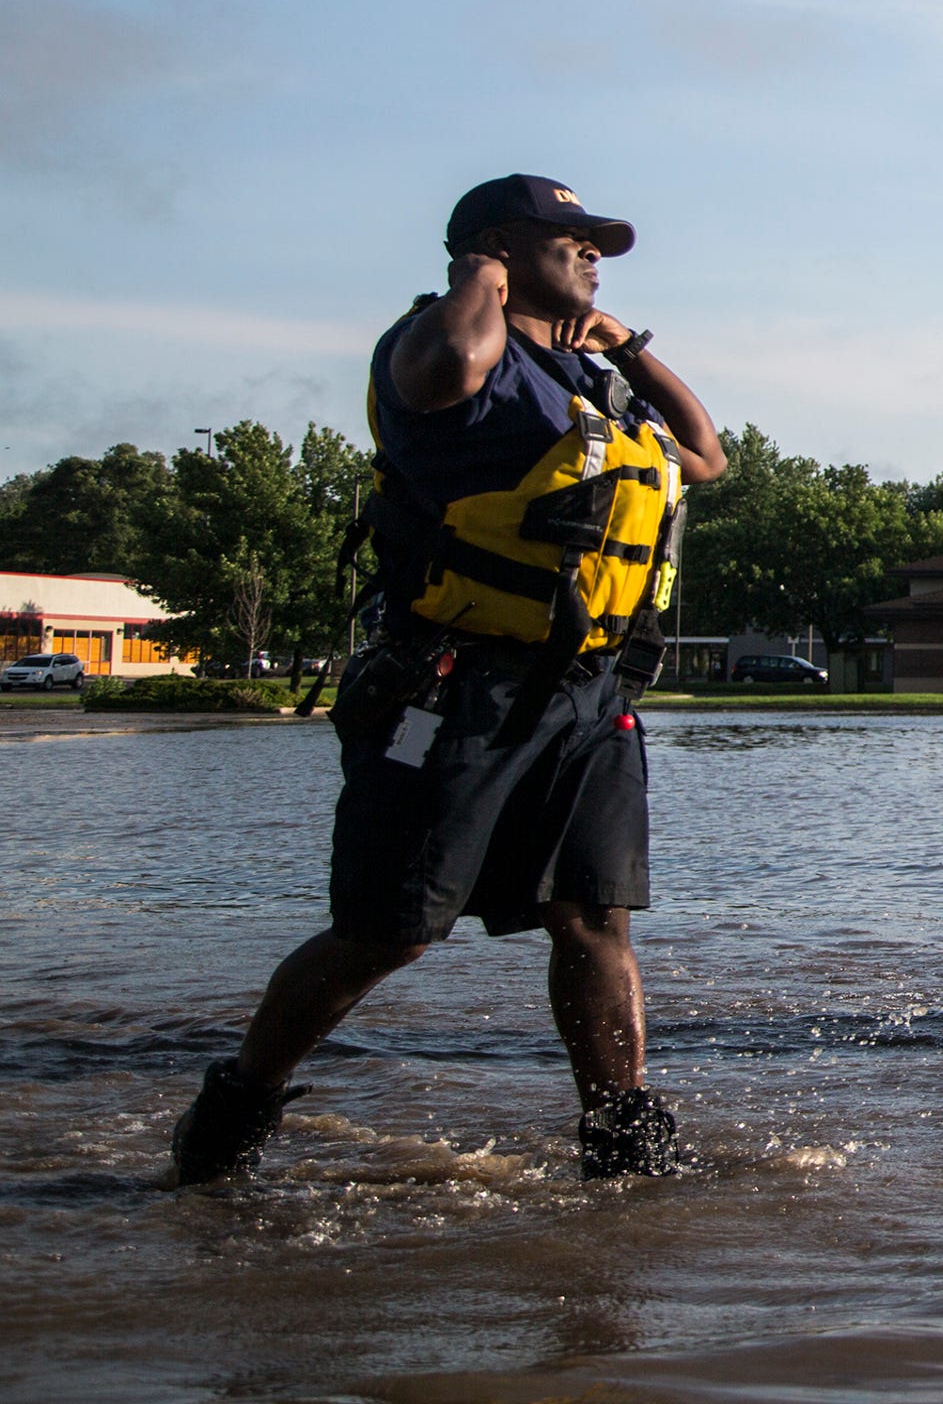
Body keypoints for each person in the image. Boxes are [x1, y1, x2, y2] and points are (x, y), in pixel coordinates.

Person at [172, 174, 728, 1184]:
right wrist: (476, 272)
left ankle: (623, 1140)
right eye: (572, 240)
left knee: (592, 916)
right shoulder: (443, 348)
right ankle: (236, 1108)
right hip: (453, 691)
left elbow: (704, 458)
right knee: (387, 933)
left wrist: (632, 350)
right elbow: (449, 369)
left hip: (588, 695)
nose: (594, 255)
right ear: (505, 248)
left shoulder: (584, 382)